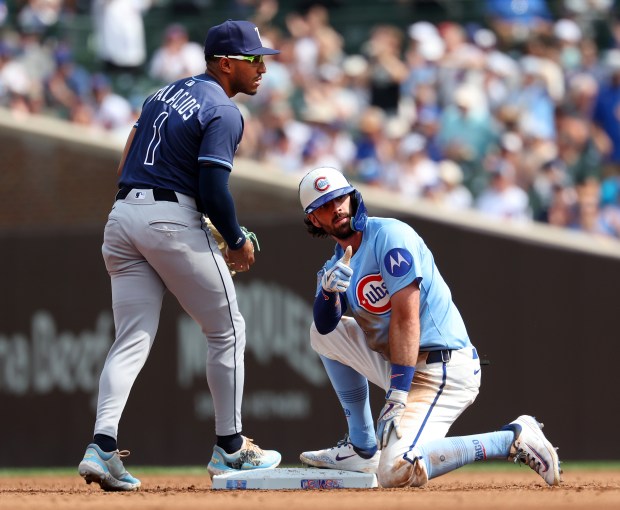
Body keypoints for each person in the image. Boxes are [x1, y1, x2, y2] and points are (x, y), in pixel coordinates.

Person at [78, 19, 282, 492]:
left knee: (130, 339)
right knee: (228, 328)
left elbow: (127, 153)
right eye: (254, 59)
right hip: (167, 219)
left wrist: (157, 199)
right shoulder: (225, 112)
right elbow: (213, 186)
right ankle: (231, 448)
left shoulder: (161, 94)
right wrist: (236, 239)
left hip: (123, 216)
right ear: (225, 63)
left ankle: (101, 445)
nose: (262, 68)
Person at [296, 166, 562, 488]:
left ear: (352, 197)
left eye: (339, 197)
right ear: (313, 219)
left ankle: (510, 438)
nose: (336, 207)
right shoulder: (335, 265)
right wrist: (328, 293)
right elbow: (325, 327)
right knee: (321, 333)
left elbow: (406, 319)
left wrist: (396, 394)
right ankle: (362, 447)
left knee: (395, 469)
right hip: (401, 363)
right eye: (324, 205)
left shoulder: (390, 235)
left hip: (443, 369)